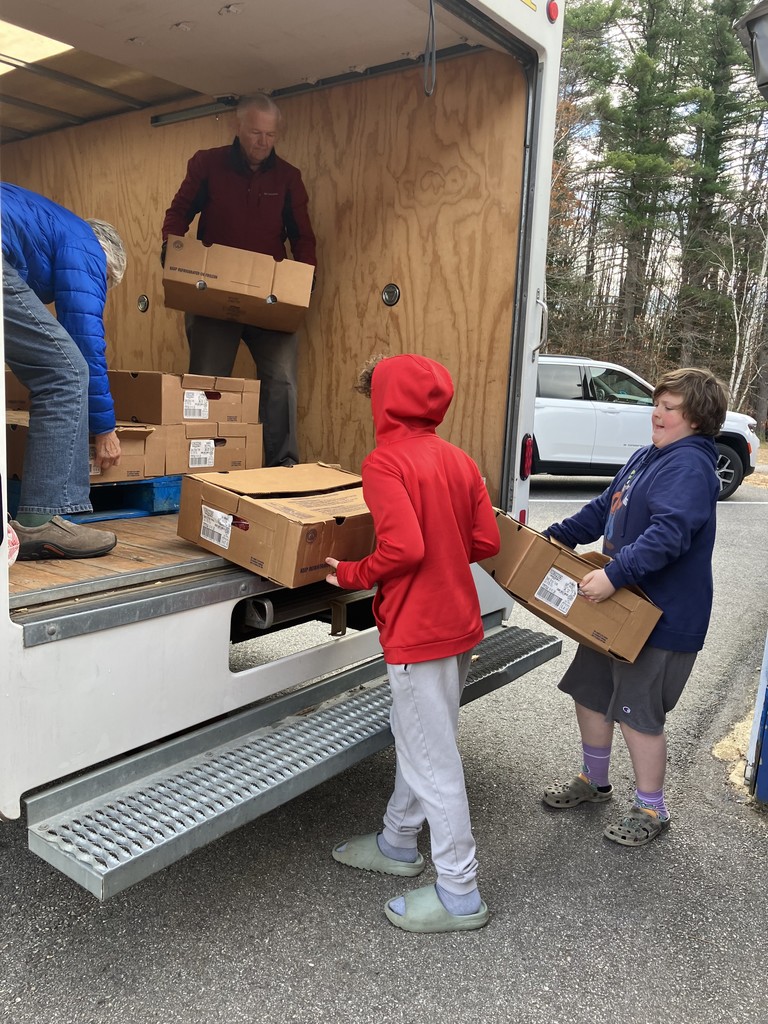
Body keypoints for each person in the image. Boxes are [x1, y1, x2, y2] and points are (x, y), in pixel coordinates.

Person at [325, 353, 501, 933]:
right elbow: (485, 539)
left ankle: (459, 892)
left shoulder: (384, 462)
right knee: (422, 740)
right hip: (458, 620)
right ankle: (398, 840)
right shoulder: (459, 459)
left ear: (385, 401)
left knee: (435, 762)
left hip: (417, 628)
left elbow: (403, 550)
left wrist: (349, 574)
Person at [541, 367, 728, 847]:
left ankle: (651, 807)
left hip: (659, 616)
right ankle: (594, 781)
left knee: (636, 711)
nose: (657, 413)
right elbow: (604, 508)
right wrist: (551, 540)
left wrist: (612, 575)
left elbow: (669, 535)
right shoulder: (649, 457)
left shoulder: (689, 466)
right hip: (620, 607)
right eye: (658, 404)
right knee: (590, 691)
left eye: (669, 407)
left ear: (696, 417)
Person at [161, 93, 317, 467]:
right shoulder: (207, 164)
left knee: (282, 382)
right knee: (207, 385)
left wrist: (304, 282)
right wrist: (173, 251)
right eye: (254, 132)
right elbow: (179, 212)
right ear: (238, 127)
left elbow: (304, 237)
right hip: (214, 294)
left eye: (270, 135)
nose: (262, 142)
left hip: (269, 299)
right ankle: (201, 463)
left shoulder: (288, 178)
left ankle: (284, 467)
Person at [2, 182, 127, 560]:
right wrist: (104, 428)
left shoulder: (52, 230)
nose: (100, 289)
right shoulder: (86, 247)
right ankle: (42, 518)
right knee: (65, 373)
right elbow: (84, 343)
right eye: (105, 283)